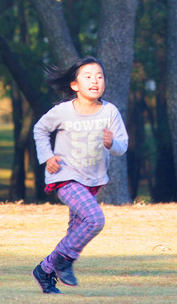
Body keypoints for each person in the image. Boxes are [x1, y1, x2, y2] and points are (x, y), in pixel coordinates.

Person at [31, 56, 128, 294]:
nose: (94, 80)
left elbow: (122, 146)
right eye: (88, 76)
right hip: (64, 176)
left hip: (92, 181)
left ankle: (45, 270)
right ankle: (64, 260)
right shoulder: (63, 111)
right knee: (95, 220)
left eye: (99, 76)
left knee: (75, 231)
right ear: (74, 85)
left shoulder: (110, 112)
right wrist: (48, 158)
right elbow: (40, 129)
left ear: (104, 83)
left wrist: (111, 142)